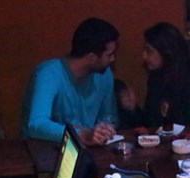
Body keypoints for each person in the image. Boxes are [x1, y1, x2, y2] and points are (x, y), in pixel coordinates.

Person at [21, 17, 119, 146]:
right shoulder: (49, 74)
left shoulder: (104, 75)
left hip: (88, 148)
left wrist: (105, 129)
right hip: (45, 147)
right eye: (109, 55)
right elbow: (36, 124)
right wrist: (81, 134)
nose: (113, 59)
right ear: (92, 57)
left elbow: (109, 116)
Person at [117, 22, 190, 129]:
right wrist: (133, 108)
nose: (144, 56)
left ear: (167, 52)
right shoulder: (156, 78)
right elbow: (151, 122)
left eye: (149, 51)